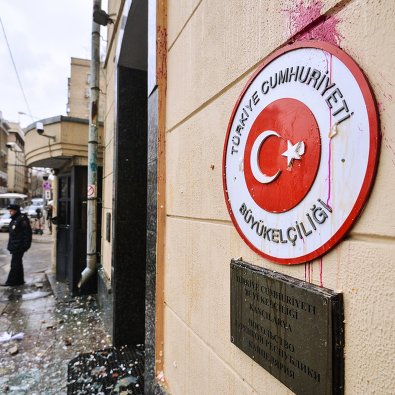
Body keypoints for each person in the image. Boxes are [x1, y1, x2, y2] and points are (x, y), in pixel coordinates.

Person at [1, 204, 32, 286]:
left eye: (11, 211)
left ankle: (11, 282)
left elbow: (27, 233)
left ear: (16, 211)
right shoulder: (15, 219)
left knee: (14, 264)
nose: (9, 212)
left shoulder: (22, 219)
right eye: (9, 211)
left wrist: (26, 245)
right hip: (15, 245)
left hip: (19, 246)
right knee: (18, 263)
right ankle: (19, 280)